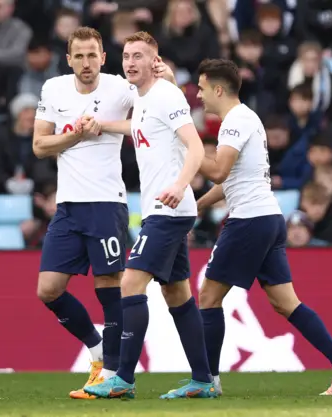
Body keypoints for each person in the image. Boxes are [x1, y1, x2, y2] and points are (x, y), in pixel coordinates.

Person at [192, 58, 332, 396]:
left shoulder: (235, 121)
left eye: (201, 88)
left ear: (218, 88)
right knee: (286, 302)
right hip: (268, 218)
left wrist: (187, 144)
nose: (198, 95)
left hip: (249, 221)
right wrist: (196, 206)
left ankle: (207, 382)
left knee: (209, 297)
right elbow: (232, 181)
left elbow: (218, 171)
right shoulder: (245, 119)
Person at [32, 27, 175, 400]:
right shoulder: (53, 89)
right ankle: (97, 351)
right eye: (78, 56)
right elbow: (39, 145)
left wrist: (166, 76)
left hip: (107, 203)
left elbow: (150, 115)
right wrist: (75, 136)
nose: (86, 63)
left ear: (103, 57)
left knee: (108, 287)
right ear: (68, 60)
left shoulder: (120, 88)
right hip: (67, 205)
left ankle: (113, 374)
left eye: (92, 55)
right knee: (48, 290)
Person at [83, 31, 214, 400]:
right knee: (177, 293)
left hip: (168, 209)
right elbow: (139, 128)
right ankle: (203, 380)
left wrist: (180, 184)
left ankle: (122, 378)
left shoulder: (166, 94)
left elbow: (195, 145)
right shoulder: (143, 100)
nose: (130, 62)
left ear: (154, 61)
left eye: (139, 55)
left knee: (130, 283)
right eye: (126, 55)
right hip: (165, 209)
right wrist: (103, 126)